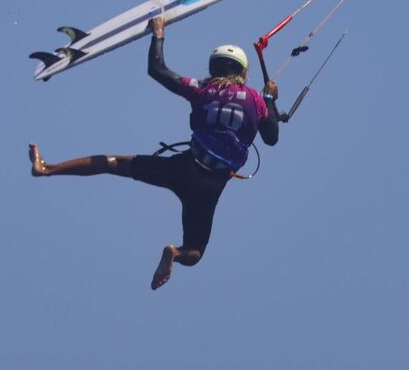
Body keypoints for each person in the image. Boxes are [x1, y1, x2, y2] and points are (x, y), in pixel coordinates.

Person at [28, 16, 280, 290]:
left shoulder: (201, 89)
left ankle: (47, 168)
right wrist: (269, 100)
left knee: (113, 163)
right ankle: (173, 252)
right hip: (209, 186)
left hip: (183, 167)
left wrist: (158, 33)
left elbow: (157, 69)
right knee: (194, 252)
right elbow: (271, 137)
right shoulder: (256, 99)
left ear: (213, 67)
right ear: (243, 73)